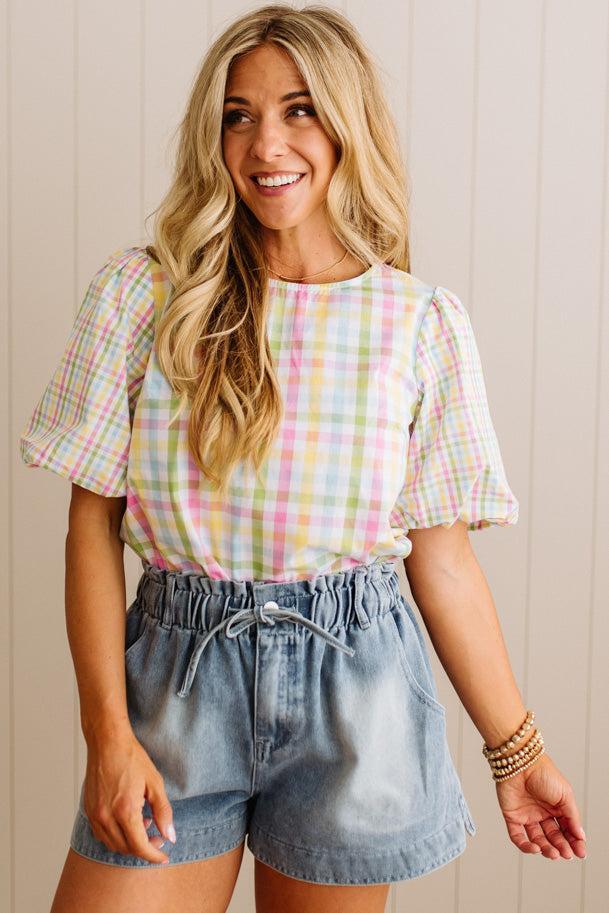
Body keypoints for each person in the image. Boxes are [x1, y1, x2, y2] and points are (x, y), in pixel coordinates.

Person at [18, 4, 587, 912]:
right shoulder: (143, 293)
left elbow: (442, 562)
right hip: (176, 686)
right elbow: (92, 529)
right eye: (237, 114)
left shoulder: (417, 323)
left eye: (299, 109)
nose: (263, 142)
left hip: (351, 694)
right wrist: (109, 738)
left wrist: (515, 752)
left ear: (346, 125)